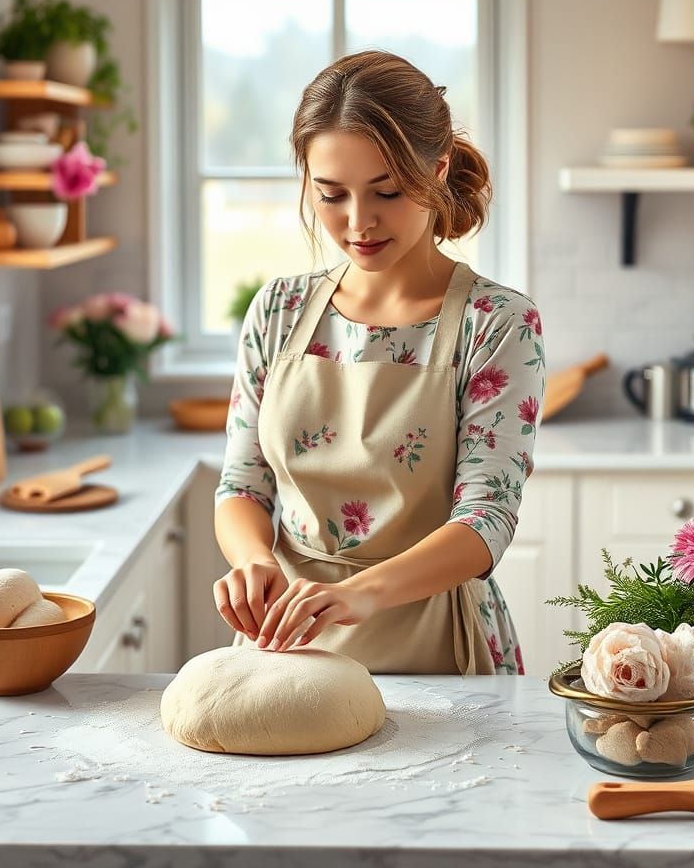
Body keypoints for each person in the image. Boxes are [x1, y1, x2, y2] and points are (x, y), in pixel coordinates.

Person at [212, 50, 545, 675]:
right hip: (287, 644)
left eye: (386, 192)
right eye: (331, 195)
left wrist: (359, 592)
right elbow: (242, 484)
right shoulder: (279, 310)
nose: (358, 223)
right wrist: (253, 561)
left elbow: (487, 517)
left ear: (438, 170)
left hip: (438, 643)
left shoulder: (496, 323)